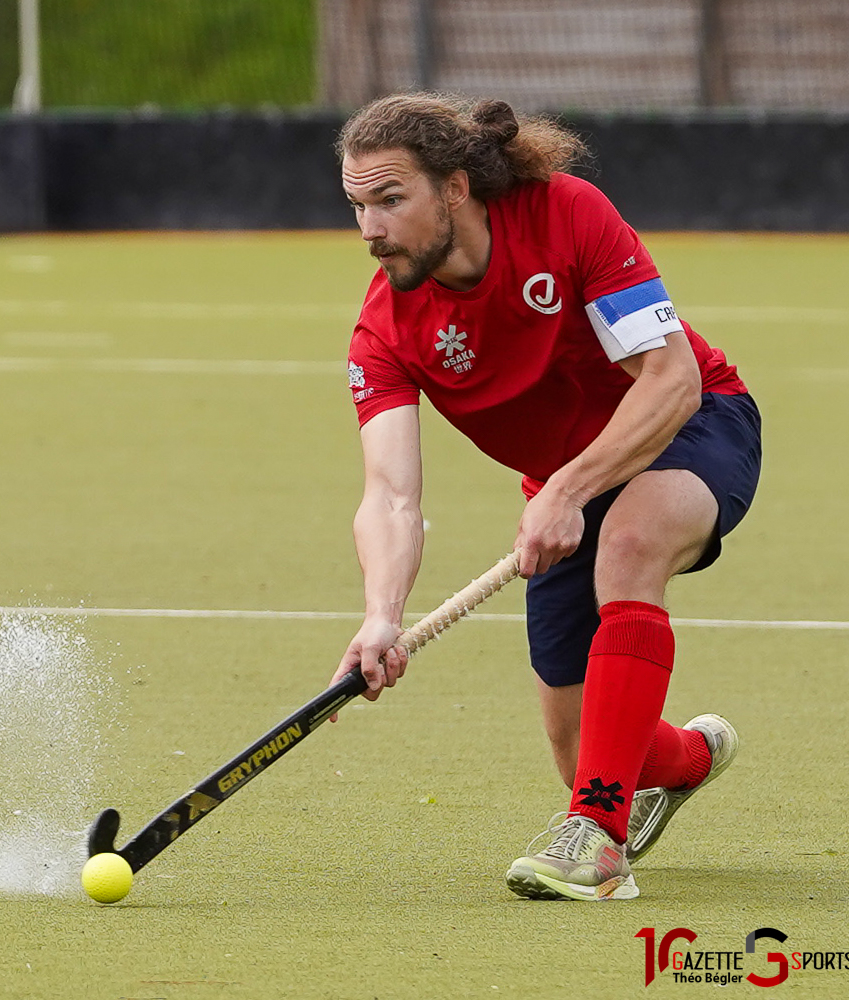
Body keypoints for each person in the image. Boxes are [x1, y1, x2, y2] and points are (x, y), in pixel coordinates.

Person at [328, 94, 761, 901]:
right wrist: (381, 612)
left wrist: (567, 487)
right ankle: (691, 759)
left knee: (629, 544)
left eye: (391, 200)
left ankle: (596, 841)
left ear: (455, 188)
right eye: (357, 205)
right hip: (563, 491)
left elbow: (670, 378)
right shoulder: (384, 331)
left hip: (693, 426)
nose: (370, 229)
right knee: (592, 751)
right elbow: (389, 494)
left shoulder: (565, 214)